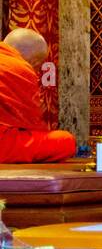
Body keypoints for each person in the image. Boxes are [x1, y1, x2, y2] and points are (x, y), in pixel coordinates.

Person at [0, 29, 77, 163]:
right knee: (65, 141)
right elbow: (30, 122)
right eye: (38, 66)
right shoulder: (20, 68)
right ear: (34, 62)